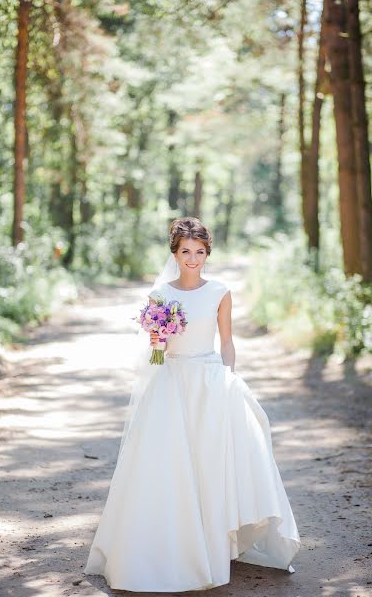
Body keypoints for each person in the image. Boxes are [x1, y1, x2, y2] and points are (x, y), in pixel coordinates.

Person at [83, 217, 301, 591]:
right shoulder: (161, 296)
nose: (193, 258)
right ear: (175, 252)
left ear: (207, 253)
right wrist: (156, 342)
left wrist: (229, 375)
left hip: (211, 382)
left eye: (199, 252)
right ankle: (172, 548)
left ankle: (215, 541)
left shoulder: (220, 291)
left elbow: (227, 341)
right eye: (186, 251)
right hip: (171, 384)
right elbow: (155, 359)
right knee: (170, 468)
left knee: (211, 463)